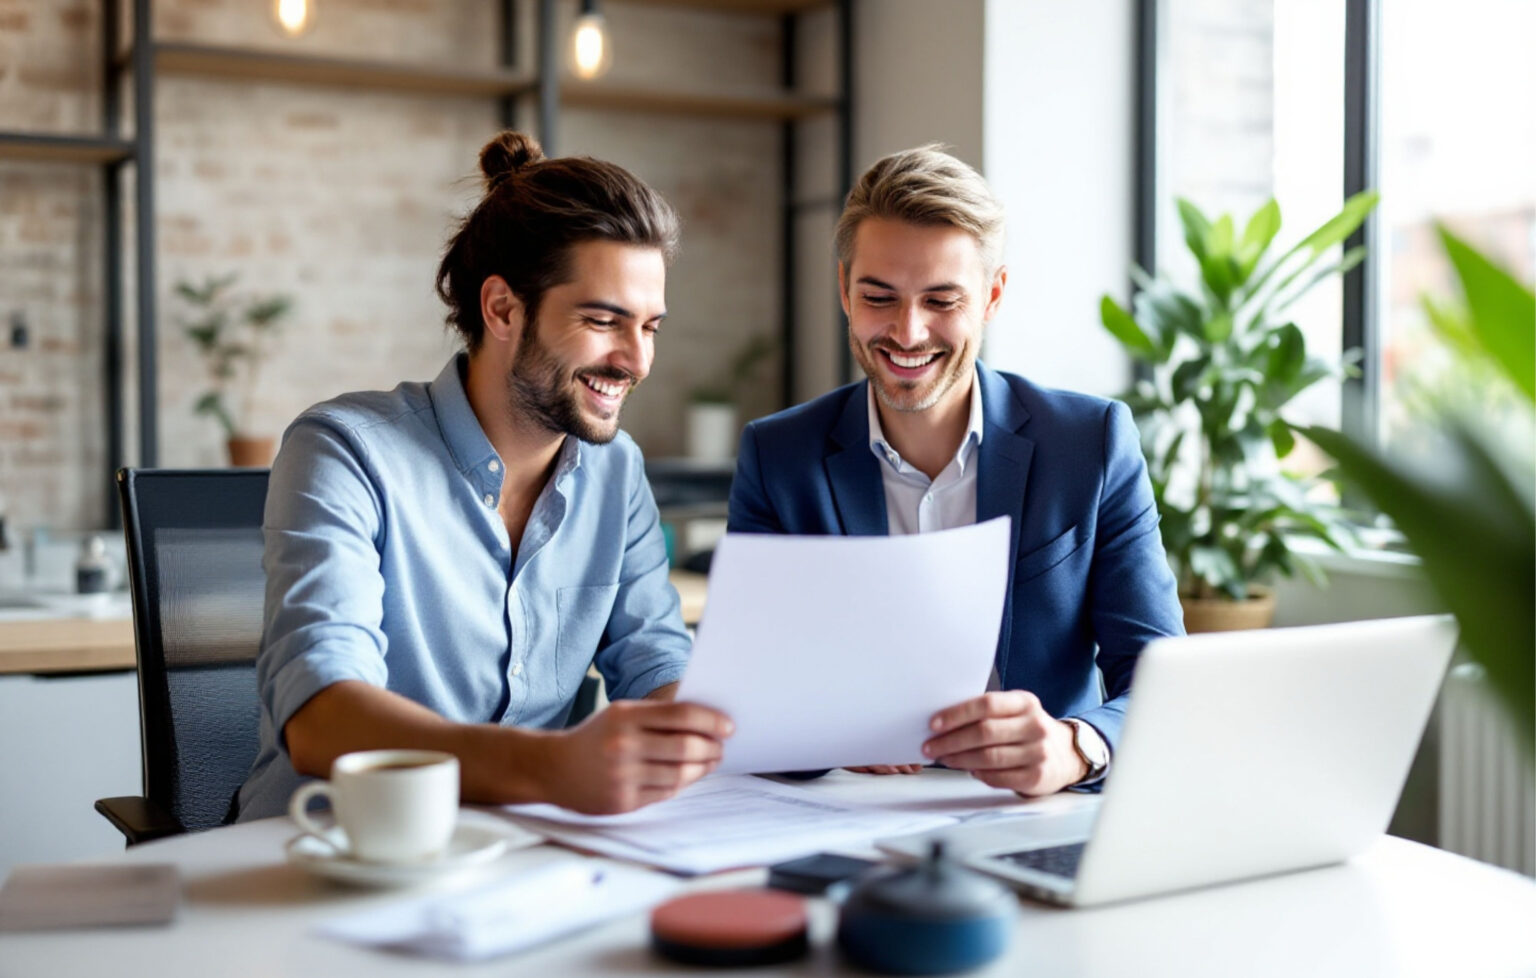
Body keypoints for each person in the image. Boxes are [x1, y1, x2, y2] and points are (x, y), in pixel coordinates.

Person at [238, 132, 733, 821]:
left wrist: (769, 730)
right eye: (603, 320)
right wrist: (554, 766)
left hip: (520, 861)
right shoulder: (345, 452)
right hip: (328, 855)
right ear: (502, 308)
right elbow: (323, 718)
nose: (636, 360)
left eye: (650, 327)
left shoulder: (616, 473)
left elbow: (655, 667)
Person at [728, 145, 1183, 797]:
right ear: (843, 291)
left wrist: (1076, 747)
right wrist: (824, 729)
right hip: (848, 811)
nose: (908, 333)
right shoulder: (779, 456)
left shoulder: (1090, 443)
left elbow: (1162, 675)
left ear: (993, 295)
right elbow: (750, 691)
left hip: (1040, 810)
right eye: (879, 297)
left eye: (942, 300)